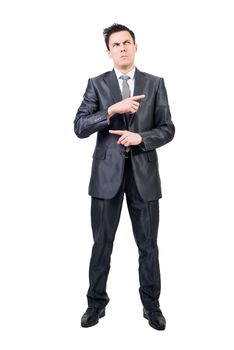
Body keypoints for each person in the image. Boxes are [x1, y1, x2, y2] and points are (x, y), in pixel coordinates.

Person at [74, 23, 175, 330]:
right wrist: (110, 111)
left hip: (144, 177)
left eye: (126, 42)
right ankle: (95, 304)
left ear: (135, 46)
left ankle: (151, 306)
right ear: (109, 51)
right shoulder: (96, 84)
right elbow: (79, 126)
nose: (121, 47)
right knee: (102, 243)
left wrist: (140, 138)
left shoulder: (155, 83)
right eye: (116, 44)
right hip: (106, 177)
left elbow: (168, 128)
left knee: (148, 245)